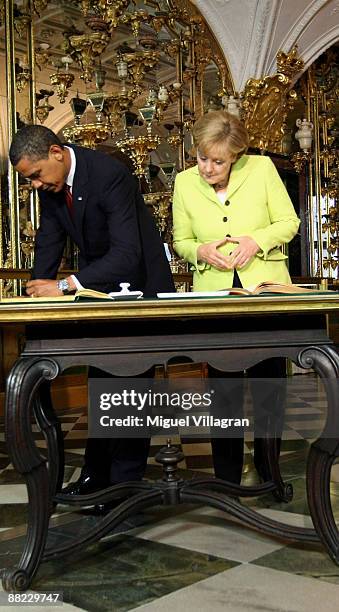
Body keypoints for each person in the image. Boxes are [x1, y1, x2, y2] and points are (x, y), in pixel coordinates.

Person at [9, 124, 175, 500]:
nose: (34, 185)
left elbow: (127, 255)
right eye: (27, 180)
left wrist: (65, 286)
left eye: (35, 175)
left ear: (56, 152)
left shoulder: (109, 174)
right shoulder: (51, 187)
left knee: (131, 389)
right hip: (101, 291)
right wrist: (38, 294)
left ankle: (124, 486)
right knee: (103, 384)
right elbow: (49, 244)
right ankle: (96, 476)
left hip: (141, 288)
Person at [172, 110, 300, 485]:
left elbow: (288, 223)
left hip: (266, 293)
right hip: (217, 296)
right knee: (223, 389)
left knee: (270, 386)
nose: (208, 168)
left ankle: (270, 471)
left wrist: (255, 240)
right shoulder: (183, 182)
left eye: (219, 161)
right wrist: (200, 251)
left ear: (237, 156)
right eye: (202, 158)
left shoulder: (261, 170)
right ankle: (226, 478)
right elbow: (181, 240)